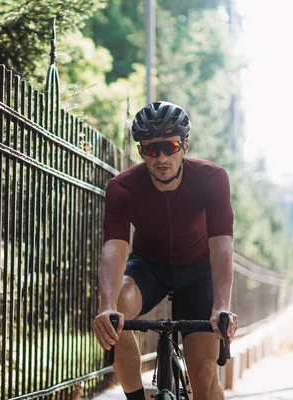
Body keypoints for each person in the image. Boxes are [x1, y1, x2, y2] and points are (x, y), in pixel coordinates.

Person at [92, 101, 239, 400]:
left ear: (185, 145)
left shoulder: (212, 178)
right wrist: (106, 305)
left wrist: (221, 304)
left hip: (199, 273)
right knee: (116, 313)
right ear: (140, 152)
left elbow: (221, 244)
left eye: (170, 146)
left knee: (203, 375)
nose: (161, 157)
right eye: (151, 149)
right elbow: (114, 248)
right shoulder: (123, 187)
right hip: (149, 268)